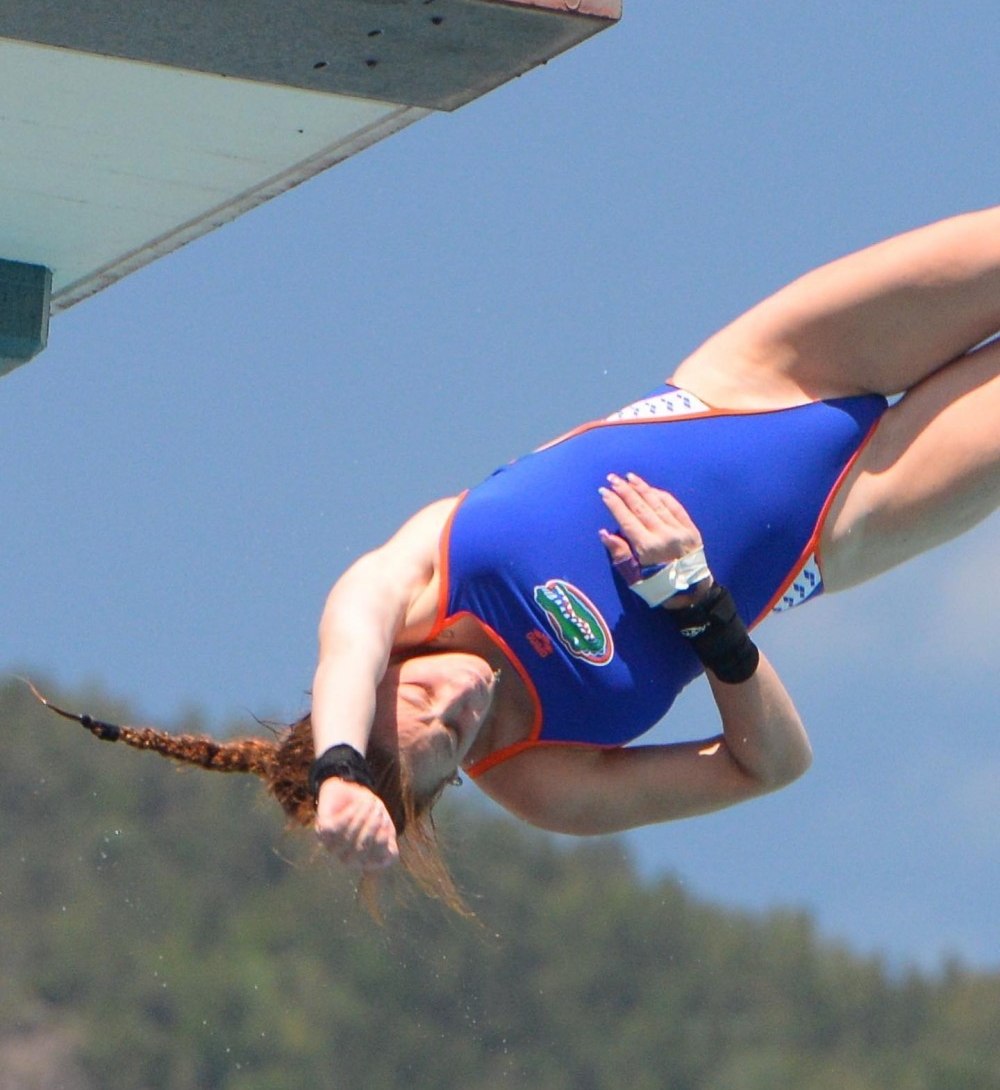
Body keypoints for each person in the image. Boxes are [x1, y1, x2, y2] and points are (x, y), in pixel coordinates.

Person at [40, 206, 1000, 915]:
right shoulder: (545, 782)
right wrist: (703, 609)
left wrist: (341, 772)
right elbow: (771, 765)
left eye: (419, 705)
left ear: (371, 686)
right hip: (840, 522)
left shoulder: (409, 583)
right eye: (453, 742)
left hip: (755, 377)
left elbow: (347, 645)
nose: (456, 706)